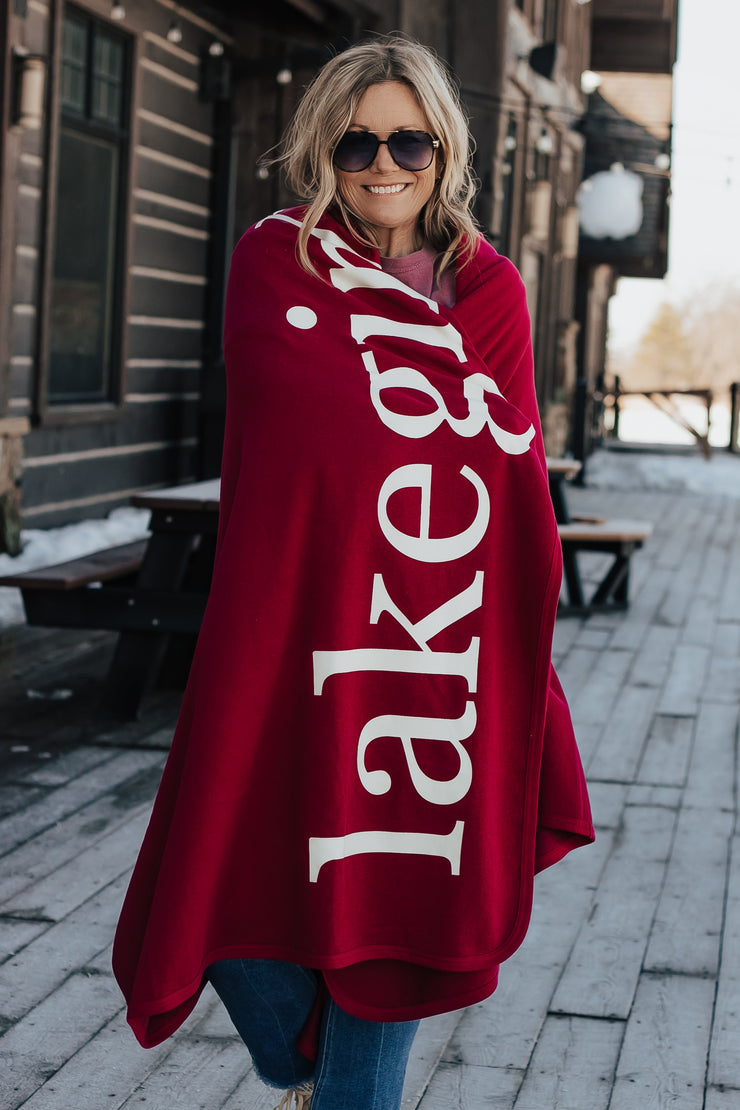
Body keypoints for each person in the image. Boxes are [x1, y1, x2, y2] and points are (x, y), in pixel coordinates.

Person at [113, 34, 594, 1110]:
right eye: (356, 141)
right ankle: (296, 1062)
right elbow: (302, 448)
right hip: (298, 632)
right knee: (220, 873)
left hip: (439, 651)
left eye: (408, 141)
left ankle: (331, 1080)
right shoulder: (272, 265)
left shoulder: (491, 293)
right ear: (321, 151)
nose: (383, 163)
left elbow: (503, 478)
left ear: (444, 150)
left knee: (403, 912)